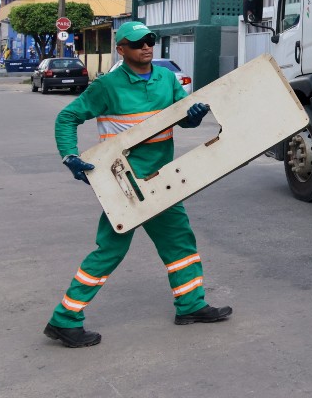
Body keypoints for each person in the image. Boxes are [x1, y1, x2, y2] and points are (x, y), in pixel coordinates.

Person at [43, 21, 231, 348]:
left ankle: (190, 305)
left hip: (162, 181)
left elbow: (183, 118)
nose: (146, 46)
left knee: (179, 243)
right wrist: (69, 156)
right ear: (121, 50)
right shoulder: (107, 86)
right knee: (110, 250)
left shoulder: (166, 79)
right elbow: (67, 118)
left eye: (149, 40)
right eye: (137, 42)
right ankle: (64, 319)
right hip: (124, 183)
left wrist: (195, 116)